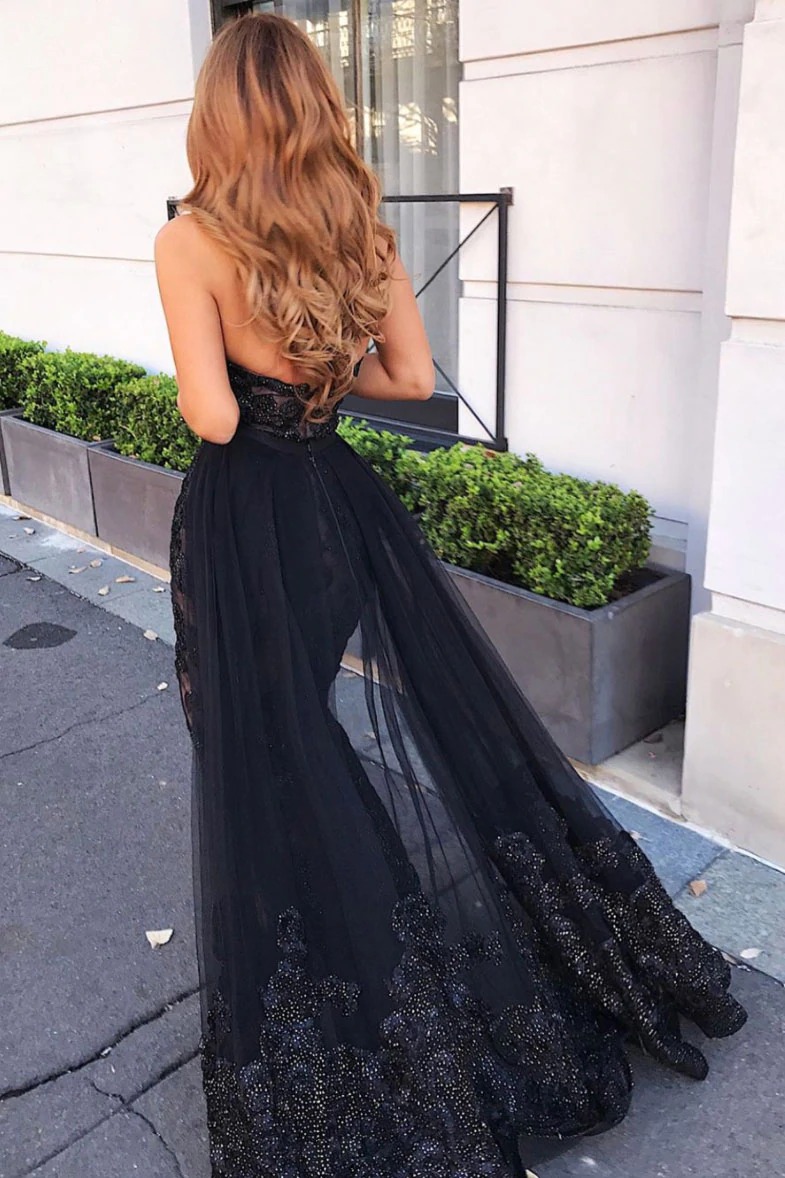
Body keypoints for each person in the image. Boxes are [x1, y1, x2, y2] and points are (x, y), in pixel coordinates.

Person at [154, 13, 746, 1177]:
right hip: (336, 511)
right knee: (318, 735)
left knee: (266, 749)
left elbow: (212, 418)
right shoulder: (359, 227)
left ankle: (351, 993)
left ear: (217, 116)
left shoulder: (191, 239)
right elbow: (412, 377)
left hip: (245, 524)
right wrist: (323, 368)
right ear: (318, 106)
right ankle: (383, 969)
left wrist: (240, 367)